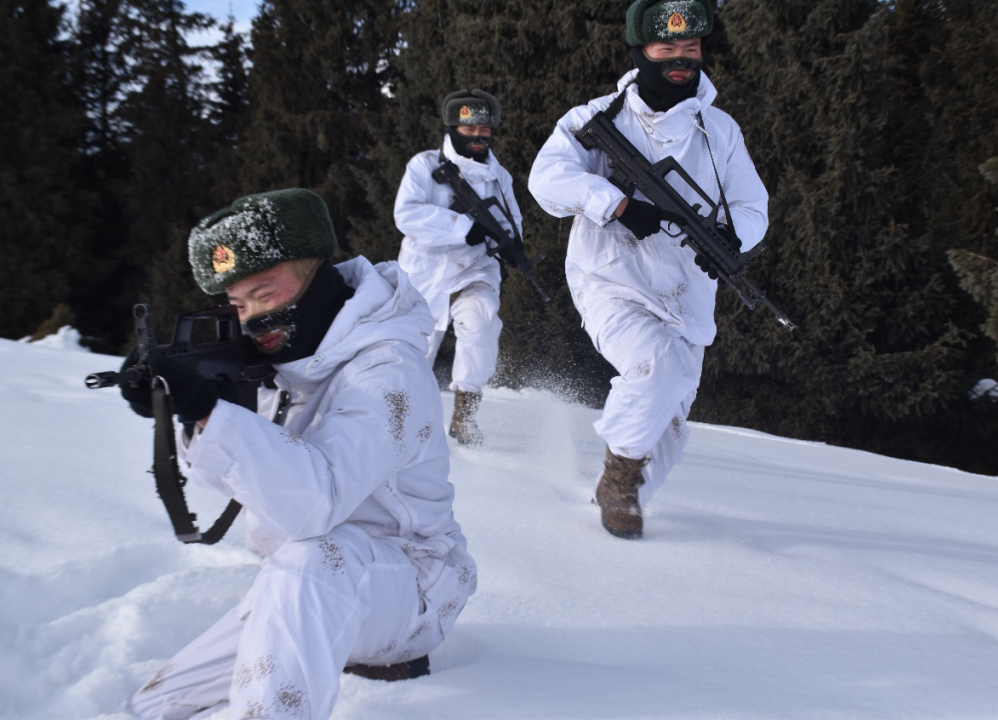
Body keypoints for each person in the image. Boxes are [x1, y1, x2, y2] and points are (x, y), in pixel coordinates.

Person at [122, 188, 476, 719]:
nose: (251, 320)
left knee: (312, 561)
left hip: (412, 588)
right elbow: (256, 480)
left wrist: (210, 413)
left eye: (264, 294)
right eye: (238, 305)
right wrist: (192, 414)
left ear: (316, 272)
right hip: (303, 584)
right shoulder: (285, 362)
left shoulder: (387, 370)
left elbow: (314, 503)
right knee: (158, 702)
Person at [528, 0, 769, 539]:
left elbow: (754, 206)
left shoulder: (720, 130)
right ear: (641, 52)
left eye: (690, 49)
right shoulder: (597, 118)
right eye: (666, 49)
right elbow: (546, 180)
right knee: (653, 368)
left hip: (687, 294)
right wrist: (614, 204)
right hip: (610, 279)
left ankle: (620, 487)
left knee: (673, 426)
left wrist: (733, 238)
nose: (680, 61)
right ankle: (617, 483)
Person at [394, 89, 524, 446]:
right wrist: (463, 228)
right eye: (470, 130)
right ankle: (402, 424)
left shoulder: (500, 177)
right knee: (416, 349)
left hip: (475, 267)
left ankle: (465, 417)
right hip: (426, 271)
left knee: (480, 324)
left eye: (485, 130)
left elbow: (511, 221)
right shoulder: (424, 165)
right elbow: (407, 214)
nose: (479, 137)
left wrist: (511, 247)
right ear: (454, 128)